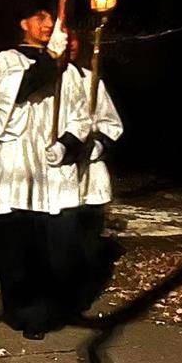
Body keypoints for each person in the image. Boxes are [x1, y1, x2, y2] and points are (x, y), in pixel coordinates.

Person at [0, 0, 91, 339]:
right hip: (20, 164)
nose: (48, 25)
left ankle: (53, 309)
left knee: (56, 243)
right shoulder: (6, 61)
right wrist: (49, 58)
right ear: (23, 23)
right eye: (41, 18)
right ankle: (24, 311)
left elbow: (82, 115)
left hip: (56, 168)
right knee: (21, 243)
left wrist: (67, 144)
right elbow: (18, 93)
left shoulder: (72, 71)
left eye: (53, 19)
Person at [65, 34, 124, 312]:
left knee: (87, 240)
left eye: (74, 39)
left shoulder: (90, 80)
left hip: (88, 177)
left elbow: (110, 123)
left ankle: (81, 295)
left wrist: (98, 144)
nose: (70, 44)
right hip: (56, 177)